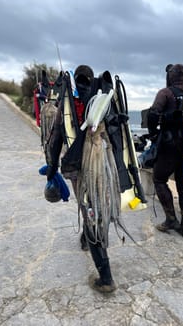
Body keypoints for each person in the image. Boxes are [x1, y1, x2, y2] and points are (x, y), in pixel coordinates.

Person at [46, 65, 117, 293]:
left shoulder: (68, 104)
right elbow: (116, 134)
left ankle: (106, 278)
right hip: (103, 165)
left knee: (90, 212)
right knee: (96, 206)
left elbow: (57, 138)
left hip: (81, 167)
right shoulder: (104, 100)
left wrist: (51, 167)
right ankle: (88, 239)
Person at [147, 64, 183, 238]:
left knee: (159, 180)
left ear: (171, 76)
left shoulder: (165, 93)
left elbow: (152, 115)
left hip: (168, 145)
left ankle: (171, 219)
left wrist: (152, 135)